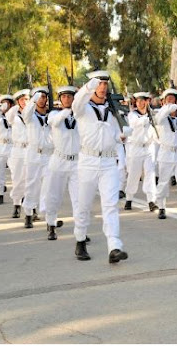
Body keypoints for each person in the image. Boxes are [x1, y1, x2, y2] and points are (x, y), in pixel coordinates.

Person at [72, 70, 130, 263]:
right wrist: (89, 86)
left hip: (107, 162)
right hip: (87, 161)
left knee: (111, 205)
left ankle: (114, 246)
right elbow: (75, 103)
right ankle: (80, 239)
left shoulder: (112, 110)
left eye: (106, 84)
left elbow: (113, 134)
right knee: (84, 204)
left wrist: (120, 137)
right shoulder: (83, 107)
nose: (103, 88)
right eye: (99, 84)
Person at [43, 86, 79, 240]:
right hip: (59, 160)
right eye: (63, 97)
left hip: (76, 162)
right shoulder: (54, 114)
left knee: (79, 198)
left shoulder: (81, 114)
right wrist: (67, 111)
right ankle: (51, 224)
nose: (67, 99)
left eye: (70, 97)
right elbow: (55, 123)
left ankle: (80, 231)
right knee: (54, 195)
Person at [154, 88, 177, 220]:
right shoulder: (162, 115)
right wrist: (167, 108)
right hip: (166, 153)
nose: (169, 102)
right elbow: (157, 119)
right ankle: (161, 206)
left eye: (172, 99)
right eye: (167, 100)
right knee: (163, 182)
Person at [22, 87, 53, 228]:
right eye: (39, 97)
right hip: (33, 154)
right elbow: (25, 113)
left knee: (48, 187)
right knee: (31, 185)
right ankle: (28, 213)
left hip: (48, 155)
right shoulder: (30, 116)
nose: (42, 99)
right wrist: (33, 99)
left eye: (44, 97)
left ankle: (48, 217)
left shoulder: (51, 115)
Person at [123, 91, 158, 212]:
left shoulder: (152, 114)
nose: (140, 103)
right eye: (138, 101)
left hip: (149, 148)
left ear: (147, 101)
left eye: (143, 101)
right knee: (134, 174)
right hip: (135, 148)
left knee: (150, 173)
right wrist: (148, 118)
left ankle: (151, 200)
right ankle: (129, 198)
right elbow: (135, 123)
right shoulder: (132, 115)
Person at [5, 89, 30, 218]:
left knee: (30, 179)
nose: (25, 102)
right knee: (17, 179)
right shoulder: (13, 115)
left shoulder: (33, 113)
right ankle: (16, 204)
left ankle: (31, 207)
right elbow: (8, 117)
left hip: (30, 150)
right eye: (22, 99)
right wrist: (16, 106)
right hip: (18, 150)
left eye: (26, 99)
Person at [0, 95, 14, 205]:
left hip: (12, 147)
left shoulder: (15, 116)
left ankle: (18, 195)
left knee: (15, 171)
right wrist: (0, 110)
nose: (5, 105)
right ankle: (0, 194)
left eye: (7, 103)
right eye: (3, 103)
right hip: (0, 146)